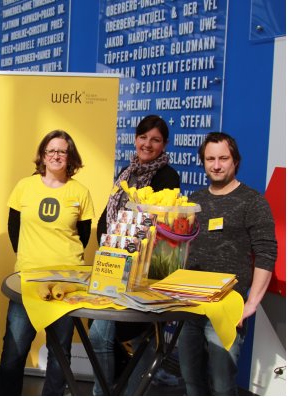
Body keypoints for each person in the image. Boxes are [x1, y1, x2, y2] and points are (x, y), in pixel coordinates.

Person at [0, 130, 95, 396]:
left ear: (70, 156)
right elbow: (13, 228)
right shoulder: (24, 187)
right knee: (14, 350)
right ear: (42, 155)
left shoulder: (80, 192)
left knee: (60, 352)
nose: (56, 156)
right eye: (51, 150)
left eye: (62, 151)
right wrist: (30, 258)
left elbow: (82, 237)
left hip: (67, 284)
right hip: (27, 281)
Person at [178, 132, 277, 395]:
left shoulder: (252, 201)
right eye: (210, 159)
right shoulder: (194, 201)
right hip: (191, 305)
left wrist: (251, 303)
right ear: (203, 162)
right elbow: (182, 248)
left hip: (226, 307)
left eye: (223, 158)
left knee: (223, 384)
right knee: (190, 380)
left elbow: (266, 252)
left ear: (235, 161)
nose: (217, 165)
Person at [88, 115, 180, 395]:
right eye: (143, 137)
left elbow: (159, 225)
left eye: (155, 139)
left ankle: (110, 392)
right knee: (113, 336)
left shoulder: (167, 176)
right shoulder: (126, 172)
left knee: (127, 337)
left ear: (164, 145)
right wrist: (107, 245)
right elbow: (108, 214)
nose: (147, 144)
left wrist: (124, 249)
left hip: (143, 270)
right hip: (113, 264)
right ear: (135, 139)